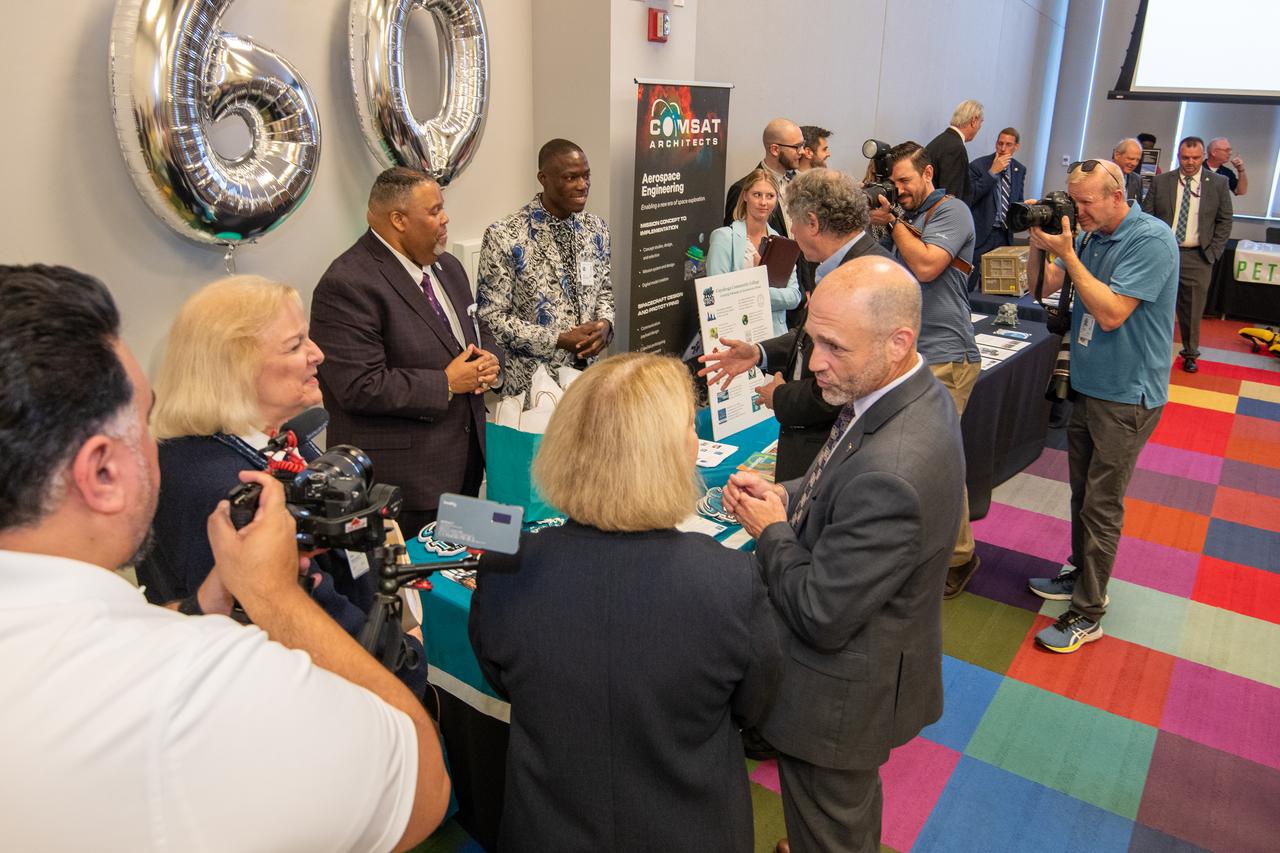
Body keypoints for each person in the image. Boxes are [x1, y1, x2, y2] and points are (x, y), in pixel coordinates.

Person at [0, 264, 449, 849]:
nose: (316, 354)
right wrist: (278, 596)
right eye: (142, 423)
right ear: (103, 472)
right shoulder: (200, 671)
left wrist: (202, 605)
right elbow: (419, 782)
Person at [469, 352, 781, 853]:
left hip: (548, 830)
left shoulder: (505, 569)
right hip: (690, 829)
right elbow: (754, 707)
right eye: (687, 427)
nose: (696, 439)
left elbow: (502, 679)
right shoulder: (732, 582)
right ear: (665, 457)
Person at [723, 256, 965, 853]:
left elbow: (820, 612)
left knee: (832, 820)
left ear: (898, 341)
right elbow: (842, 475)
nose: (815, 364)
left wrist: (770, 529)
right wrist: (788, 492)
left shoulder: (897, 469)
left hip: (838, 693)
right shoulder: (903, 393)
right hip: (869, 665)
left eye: (835, 347)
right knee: (837, 813)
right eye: (812, 340)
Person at [136, 275, 426, 693]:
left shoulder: (266, 442)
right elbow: (305, 623)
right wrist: (405, 658)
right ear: (235, 367)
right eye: (295, 345)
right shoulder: (229, 492)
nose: (318, 354)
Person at [1026, 158, 1177, 652]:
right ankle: (1079, 574)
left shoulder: (1150, 239)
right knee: (1081, 495)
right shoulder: (1089, 233)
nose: (1079, 211)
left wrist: (1069, 256)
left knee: (1103, 504)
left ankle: (1089, 612)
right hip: (1090, 384)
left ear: (1118, 195)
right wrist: (1037, 242)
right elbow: (1040, 289)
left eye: (1085, 203)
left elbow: (1111, 313)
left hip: (1128, 392)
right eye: (1074, 202)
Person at [312, 167, 503, 537]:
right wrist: (446, 383)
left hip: (464, 466)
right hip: (404, 486)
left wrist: (491, 362)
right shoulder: (347, 283)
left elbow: (477, 332)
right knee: (413, 591)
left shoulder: (448, 267)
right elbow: (357, 385)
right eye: (434, 211)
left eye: (442, 208)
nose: (445, 218)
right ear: (398, 220)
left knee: (457, 582)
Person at [700, 169, 895, 481]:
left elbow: (840, 386)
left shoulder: (860, 277)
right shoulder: (846, 265)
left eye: (793, 220)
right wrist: (758, 352)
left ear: (813, 223)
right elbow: (810, 338)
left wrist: (781, 396)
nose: (791, 231)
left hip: (835, 453)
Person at [868, 141, 981, 597]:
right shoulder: (902, 219)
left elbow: (929, 265)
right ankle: (914, 550)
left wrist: (894, 222)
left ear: (928, 173)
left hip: (947, 354)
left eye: (905, 181)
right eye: (892, 183)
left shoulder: (951, 213)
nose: (899, 190)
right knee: (908, 460)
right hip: (908, 356)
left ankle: (959, 557)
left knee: (936, 461)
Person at [477, 139, 613, 400]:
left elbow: (604, 290)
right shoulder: (504, 235)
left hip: (589, 382)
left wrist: (605, 324)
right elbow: (491, 319)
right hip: (533, 388)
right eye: (571, 177)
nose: (582, 185)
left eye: (586, 176)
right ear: (544, 178)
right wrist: (558, 339)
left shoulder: (597, 229)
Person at [1142, 136, 1233, 373]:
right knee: (1152, 304)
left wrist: (1212, 252)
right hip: (1162, 253)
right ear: (1179, 156)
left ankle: (1190, 353)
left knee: (1192, 309)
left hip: (1197, 256)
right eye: (1185, 157)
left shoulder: (1218, 183)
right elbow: (1147, 216)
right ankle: (1147, 349)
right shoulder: (1162, 182)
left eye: (1195, 157)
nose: (1190, 162)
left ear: (1203, 156)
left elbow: (1224, 220)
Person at [707, 167, 802, 335]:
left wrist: (751, 287)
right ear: (745, 196)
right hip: (735, 334)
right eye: (757, 195)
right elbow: (717, 294)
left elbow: (794, 297)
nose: (763, 202)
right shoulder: (724, 238)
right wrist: (761, 280)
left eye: (770, 196)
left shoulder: (783, 243)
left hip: (774, 339)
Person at [967, 126, 1027, 290]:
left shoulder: (1019, 169)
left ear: (1016, 147)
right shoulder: (979, 165)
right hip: (982, 234)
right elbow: (970, 197)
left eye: (1008, 145)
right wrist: (992, 173)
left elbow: (1017, 200)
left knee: (1000, 287)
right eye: (1000, 143)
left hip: (1004, 234)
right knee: (970, 285)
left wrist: (1025, 209)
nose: (1003, 148)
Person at [724, 118, 806, 234]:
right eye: (797, 146)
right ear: (775, 150)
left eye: (803, 144)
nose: (802, 151)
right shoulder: (742, 189)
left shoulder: (801, 183)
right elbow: (734, 240)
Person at [925, 99, 983, 204]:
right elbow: (951, 195)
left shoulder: (942, 140)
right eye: (980, 122)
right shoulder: (956, 148)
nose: (980, 127)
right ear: (973, 121)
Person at [1113, 137, 1144, 201]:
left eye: (1137, 160)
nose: (1134, 163)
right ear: (1117, 155)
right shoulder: (1100, 176)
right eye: (1131, 159)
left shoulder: (1137, 180)